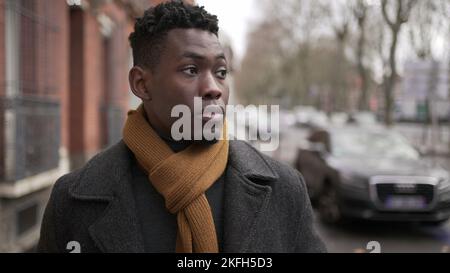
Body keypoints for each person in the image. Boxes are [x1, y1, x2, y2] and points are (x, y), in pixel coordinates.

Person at [37, 0, 326, 253]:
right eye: (191, 70)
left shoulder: (285, 190)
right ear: (141, 84)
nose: (213, 88)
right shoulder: (72, 201)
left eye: (221, 72)